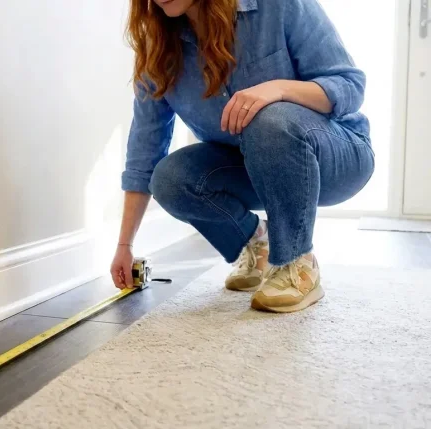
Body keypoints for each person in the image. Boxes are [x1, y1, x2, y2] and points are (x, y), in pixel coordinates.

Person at [110, 0, 374, 313]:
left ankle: (296, 262)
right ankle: (257, 241)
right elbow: (144, 152)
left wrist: (278, 89)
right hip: (253, 169)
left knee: (268, 118)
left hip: (336, 157)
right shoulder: (159, 47)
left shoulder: (277, 6)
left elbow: (349, 85)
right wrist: (125, 245)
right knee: (169, 179)